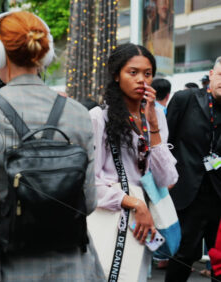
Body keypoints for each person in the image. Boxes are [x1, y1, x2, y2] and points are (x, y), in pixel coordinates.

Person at [0, 11, 104, 281]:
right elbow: (89, 202)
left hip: (6, 263)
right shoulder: (78, 112)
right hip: (73, 263)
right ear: (43, 55)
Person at [89, 43, 178, 280]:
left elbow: (168, 178)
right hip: (111, 216)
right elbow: (89, 183)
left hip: (144, 219)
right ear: (116, 75)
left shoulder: (156, 114)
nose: (142, 80)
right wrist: (134, 203)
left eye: (147, 74)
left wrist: (154, 126)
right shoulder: (99, 118)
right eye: (133, 72)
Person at [165, 57, 221, 282]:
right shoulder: (185, 99)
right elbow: (166, 143)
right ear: (211, 74)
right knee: (183, 256)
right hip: (187, 193)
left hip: (218, 196)